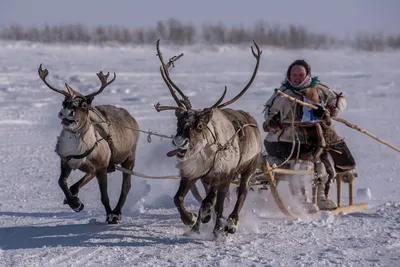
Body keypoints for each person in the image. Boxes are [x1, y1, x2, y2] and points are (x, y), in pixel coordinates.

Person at [262, 59, 356, 212]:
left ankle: (321, 198)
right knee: (300, 165)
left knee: (325, 163)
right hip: (287, 140)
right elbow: (269, 113)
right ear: (289, 76)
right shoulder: (282, 94)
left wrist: (329, 110)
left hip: (316, 138)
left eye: (301, 74)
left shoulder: (318, 89)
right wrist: (274, 120)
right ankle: (301, 200)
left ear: (308, 75)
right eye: (294, 75)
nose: (298, 78)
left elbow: (339, 100)